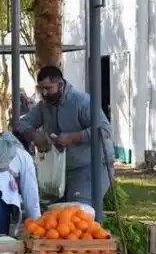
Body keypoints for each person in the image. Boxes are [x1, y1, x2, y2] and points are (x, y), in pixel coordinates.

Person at [17, 65, 113, 214]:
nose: (44, 93)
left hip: (91, 166)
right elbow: (21, 123)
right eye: (41, 89)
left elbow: (104, 130)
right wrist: (34, 136)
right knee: (54, 214)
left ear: (60, 84)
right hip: (63, 170)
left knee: (78, 214)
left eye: (48, 88)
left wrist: (72, 138)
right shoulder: (44, 106)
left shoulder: (82, 102)